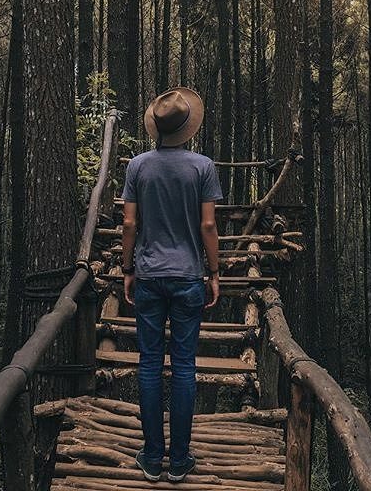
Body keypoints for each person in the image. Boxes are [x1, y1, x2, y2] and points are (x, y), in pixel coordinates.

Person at [121, 87, 223, 483]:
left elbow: (130, 223)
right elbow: (208, 225)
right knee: (183, 366)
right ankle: (179, 460)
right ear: (188, 128)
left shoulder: (138, 166)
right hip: (187, 277)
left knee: (149, 364)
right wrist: (214, 273)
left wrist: (128, 268)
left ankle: (151, 457)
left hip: (148, 275)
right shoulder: (203, 167)